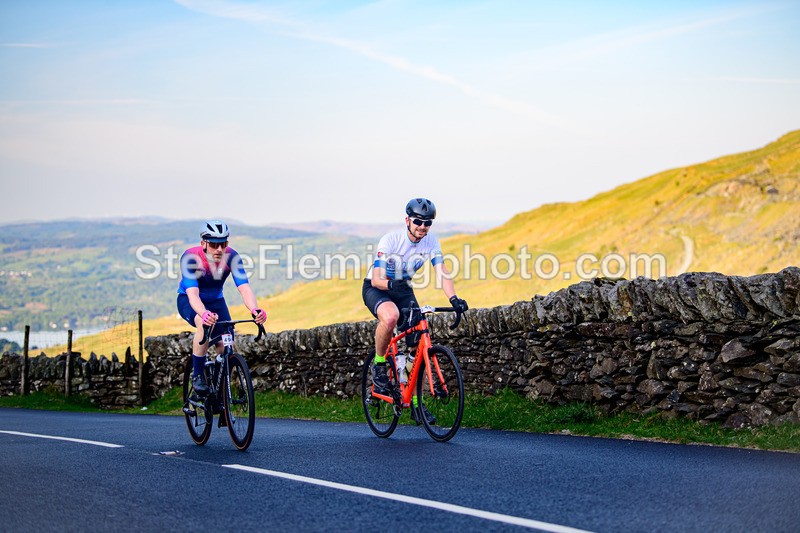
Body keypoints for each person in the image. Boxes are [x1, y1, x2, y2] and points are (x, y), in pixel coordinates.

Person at [362, 198, 469, 424]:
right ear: (407, 220)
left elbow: (441, 271)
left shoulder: (431, 242)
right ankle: (380, 364)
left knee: (418, 346)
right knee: (391, 316)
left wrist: (454, 298)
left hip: (403, 290)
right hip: (378, 287)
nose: (422, 226)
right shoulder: (391, 240)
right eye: (418, 221)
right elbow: (379, 278)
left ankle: (417, 405)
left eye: (427, 223)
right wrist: (391, 285)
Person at [177, 220, 267, 396]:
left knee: (227, 344)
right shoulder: (190, 258)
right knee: (204, 327)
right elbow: (193, 294)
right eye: (214, 244)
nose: (219, 249)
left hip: (216, 302)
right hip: (189, 300)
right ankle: (198, 376)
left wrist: (255, 310)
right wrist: (203, 314)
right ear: (203, 243)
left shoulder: (232, 257)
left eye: (223, 244)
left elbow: (244, 287)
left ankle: (221, 393)